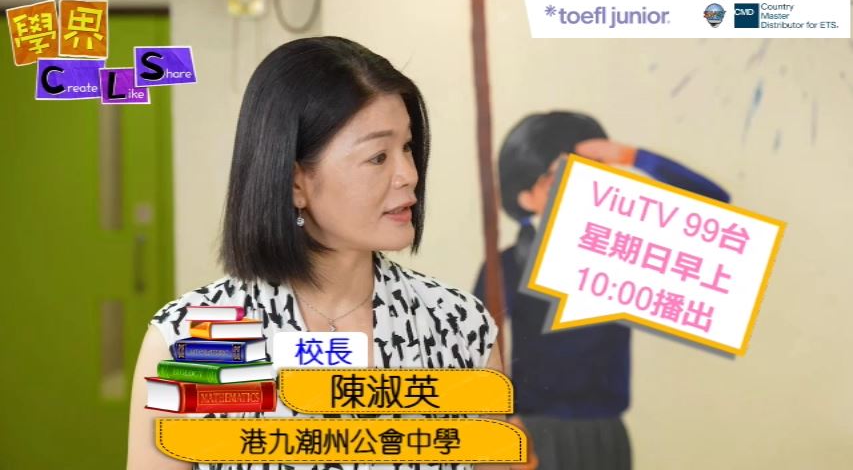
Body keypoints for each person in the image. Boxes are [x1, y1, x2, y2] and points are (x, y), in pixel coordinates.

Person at [127, 36, 506, 470]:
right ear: (295, 183)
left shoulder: (458, 326)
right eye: (378, 156)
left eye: (406, 147)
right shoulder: (189, 339)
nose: (408, 174)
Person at [474, 111, 730, 470]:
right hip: (534, 432)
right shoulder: (508, 265)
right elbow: (475, 351)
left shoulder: (623, 253)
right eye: (562, 176)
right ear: (526, 196)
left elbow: (716, 211)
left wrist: (633, 157)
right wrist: (504, 424)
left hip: (606, 433)